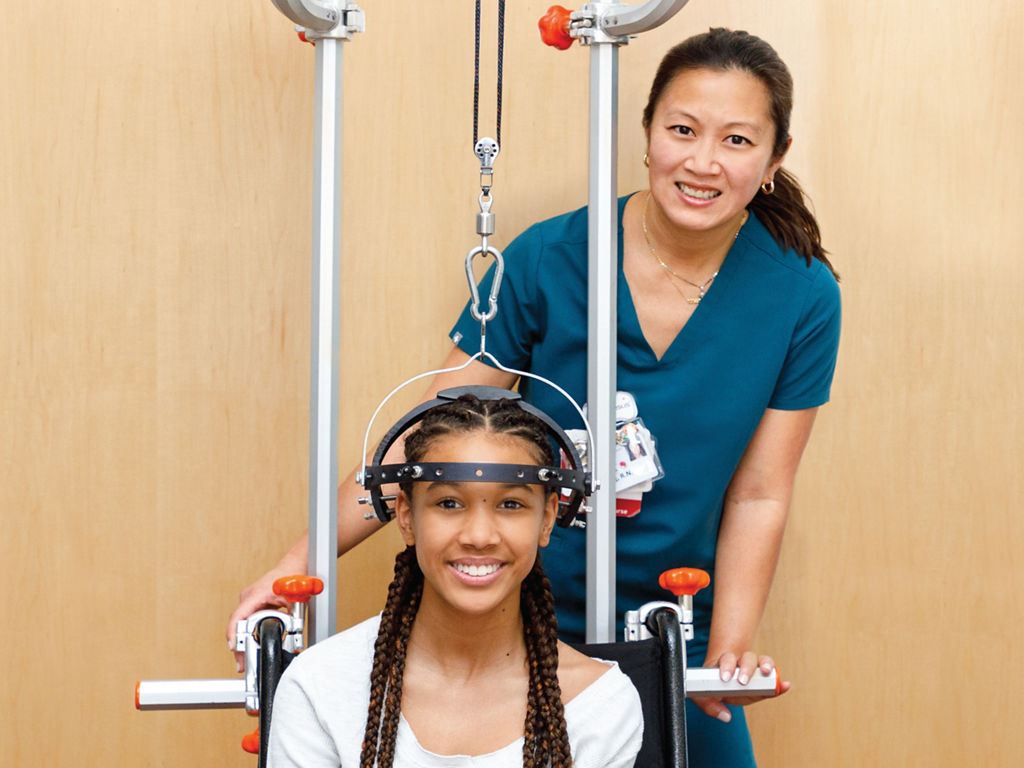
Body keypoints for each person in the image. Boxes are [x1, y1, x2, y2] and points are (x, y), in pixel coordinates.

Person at [235, 27, 836, 766]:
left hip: (675, 623)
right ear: (647, 136)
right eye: (682, 130)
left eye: (738, 140)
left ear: (774, 160)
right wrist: (297, 564)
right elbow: (422, 446)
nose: (704, 162)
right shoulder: (548, 258)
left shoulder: (802, 292)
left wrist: (729, 646)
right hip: (510, 610)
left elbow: (759, 494)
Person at [266, 393, 643, 767]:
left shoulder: (600, 704)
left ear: (546, 520)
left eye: (510, 504)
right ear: (406, 516)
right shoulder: (319, 686)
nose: (479, 536)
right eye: (449, 503)